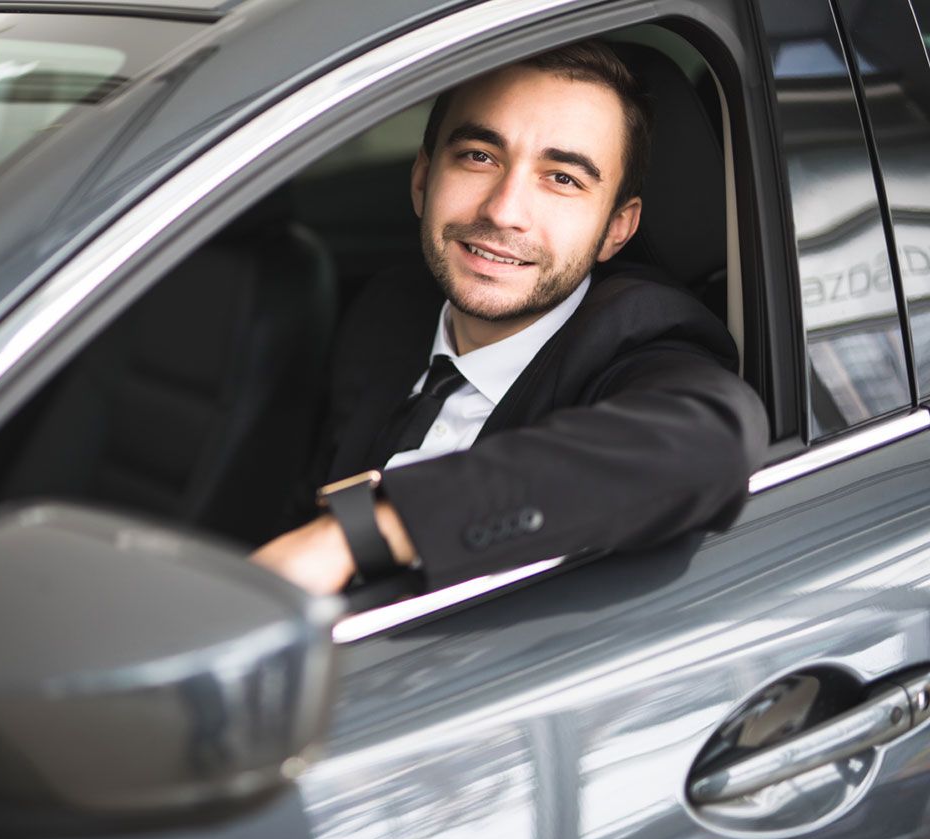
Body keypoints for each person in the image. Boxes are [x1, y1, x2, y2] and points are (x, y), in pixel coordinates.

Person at [251, 40, 769, 595]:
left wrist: (358, 534)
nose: (503, 210)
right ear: (423, 180)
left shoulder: (640, 334)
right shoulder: (388, 311)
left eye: (562, 178)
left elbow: (707, 444)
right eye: (480, 156)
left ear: (617, 228)